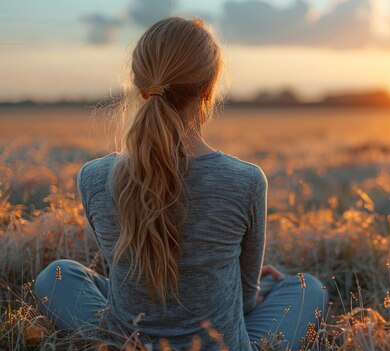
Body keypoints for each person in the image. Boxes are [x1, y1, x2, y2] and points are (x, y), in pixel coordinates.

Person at [33, 17, 328, 351]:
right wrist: (236, 285)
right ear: (208, 89)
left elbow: (119, 278)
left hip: (129, 340)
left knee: (55, 277)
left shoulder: (94, 176)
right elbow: (245, 304)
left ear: (139, 85)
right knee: (307, 287)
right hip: (220, 344)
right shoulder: (246, 180)